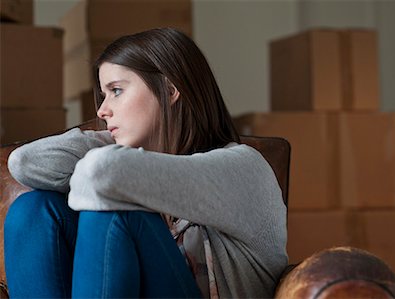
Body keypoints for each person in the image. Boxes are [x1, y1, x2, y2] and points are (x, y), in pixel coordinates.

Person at [5, 27, 287, 298]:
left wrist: (114, 151)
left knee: (116, 212)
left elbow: (100, 173)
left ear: (170, 89)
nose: (103, 110)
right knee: (33, 209)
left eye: (116, 90)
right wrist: (111, 139)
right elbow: (25, 162)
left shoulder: (244, 169)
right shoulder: (129, 171)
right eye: (103, 96)